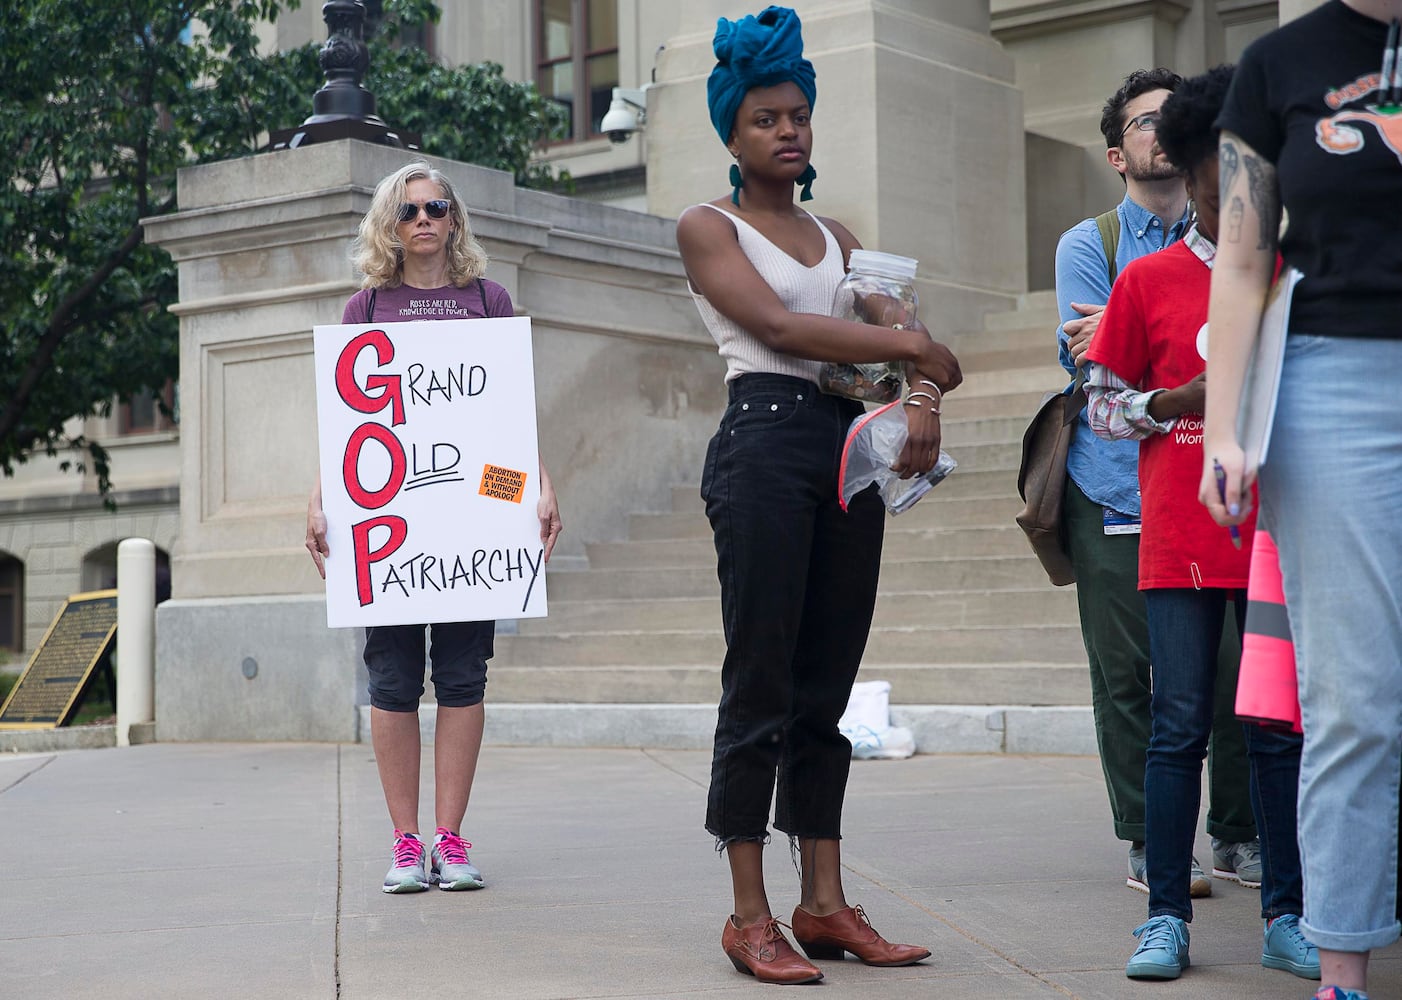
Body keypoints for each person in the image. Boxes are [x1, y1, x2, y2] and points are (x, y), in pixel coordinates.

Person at [674, 5, 961, 985]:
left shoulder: (839, 235)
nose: (787, 129)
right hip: (759, 443)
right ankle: (749, 913)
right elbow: (782, 331)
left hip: (846, 450)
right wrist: (910, 348)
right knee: (758, 679)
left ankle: (825, 903)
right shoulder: (705, 227)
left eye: (797, 113)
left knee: (825, 689)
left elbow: (923, 347)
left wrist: (918, 387)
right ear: (732, 131)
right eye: (765, 118)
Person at [1085, 66, 1317, 984]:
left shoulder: (1299, 278)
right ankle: (1166, 918)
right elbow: (1100, 407)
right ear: (1187, 173)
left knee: (1276, 732)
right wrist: (1163, 401)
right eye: (1220, 182)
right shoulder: (1147, 280)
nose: (1238, 199)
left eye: (1253, 177)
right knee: (1178, 723)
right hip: (1180, 532)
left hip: (1278, 535)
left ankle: (1289, 913)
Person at [1201, 2, 1402, 997]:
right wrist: (1225, 428)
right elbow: (1239, 260)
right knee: (1353, 698)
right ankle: (1344, 970)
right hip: (1332, 385)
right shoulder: (1279, 63)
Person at [305, 161, 563, 895]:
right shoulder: (367, 308)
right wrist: (321, 500)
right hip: (390, 524)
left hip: (473, 512)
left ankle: (450, 839)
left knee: (461, 676)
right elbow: (345, 424)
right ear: (391, 224)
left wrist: (537, 485)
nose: (423, 220)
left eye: (436, 207)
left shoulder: (488, 299)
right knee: (391, 681)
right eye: (409, 210)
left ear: (454, 220)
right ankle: (404, 842)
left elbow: (507, 418)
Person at [1055, 67, 1259, 897]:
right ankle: (1147, 839)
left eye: (1174, 120)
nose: (1161, 132)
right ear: (1118, 151)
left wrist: (1125, 335)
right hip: (1113, 486)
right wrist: (1133, 346)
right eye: (1145, 122)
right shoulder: (1094, 246)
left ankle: (1237, 836)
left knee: (1233, 673)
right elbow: (1086, 354)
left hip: (1222, 488)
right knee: (1128, 679)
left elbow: (1119, 338)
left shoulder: (1246, 242)